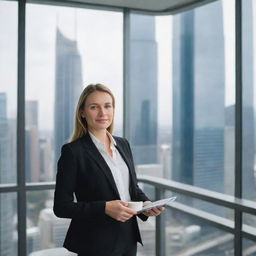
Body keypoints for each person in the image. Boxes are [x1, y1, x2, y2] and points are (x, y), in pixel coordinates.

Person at [53, 84, 164, 256]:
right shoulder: (73, 152)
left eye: (107, 106)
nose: (102, 113)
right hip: (95, 244)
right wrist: (104, 208)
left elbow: (131, 189)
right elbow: (61, 207)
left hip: (128, 239)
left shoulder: (123, 144)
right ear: (82, 112)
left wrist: (146, 205)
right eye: (94, 107)